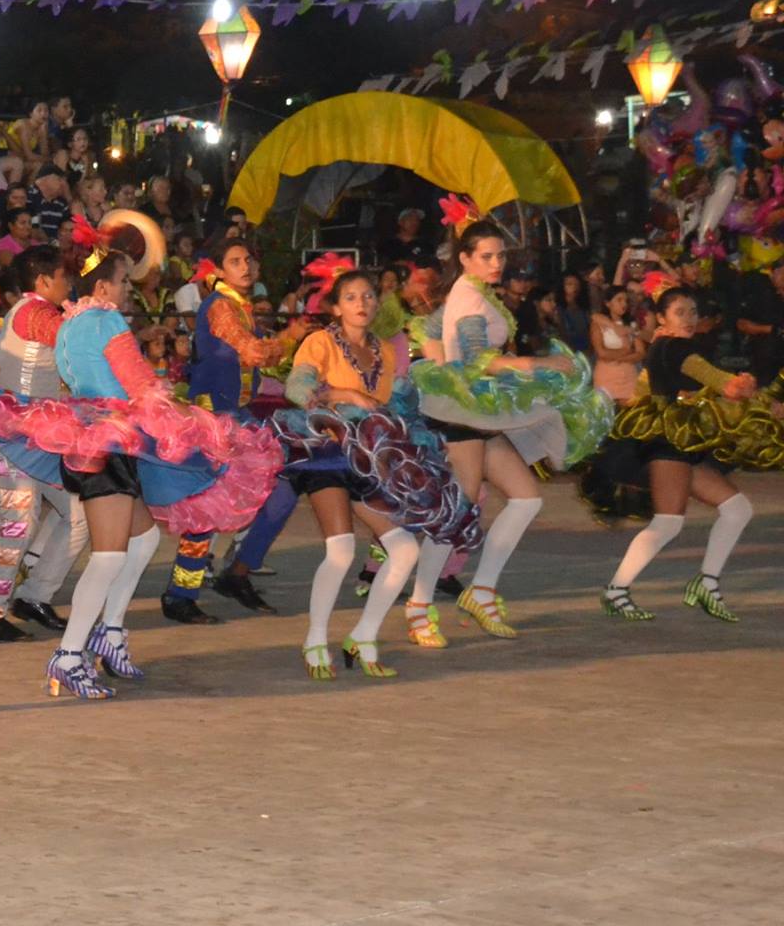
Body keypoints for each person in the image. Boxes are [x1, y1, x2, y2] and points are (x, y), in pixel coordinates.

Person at [0, 250, 283, 699]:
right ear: (102, 287)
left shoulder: (71, 324)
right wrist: (189, 419)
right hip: (109, 444)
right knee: (108, 554)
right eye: (122, 283)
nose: (127, 291)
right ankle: (68, 655)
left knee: (144, 538)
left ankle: (110, 632)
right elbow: (139, 385)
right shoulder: (106, 321)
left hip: (93, 435)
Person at [404, 210, 612, 645]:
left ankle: (481, 591)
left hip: (476, 411)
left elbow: (428, 327)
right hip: (462, 416)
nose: (497, 263)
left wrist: (440, 361)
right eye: (487, 256)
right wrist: (539, 363)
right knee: (458, 510)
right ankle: (419, 606)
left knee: (526, 498)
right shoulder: (470, 297)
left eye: (500, 256)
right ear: (465, 258)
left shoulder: (471, 291)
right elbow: (480, 361)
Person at [278, 267, 484, 680]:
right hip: (328, 453)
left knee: (405, 550)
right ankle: (315, 640)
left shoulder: (386, 352)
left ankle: (364, 636)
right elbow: (296, 390)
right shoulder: (320, 342)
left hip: (371, 459)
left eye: (369, 296)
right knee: (340, 551)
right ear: (336, 307)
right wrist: (344, 394)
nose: (362, 304)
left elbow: (394, 407)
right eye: (351, 297)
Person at [587, 286, 759, 623]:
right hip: (668, 443)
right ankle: (617, 590)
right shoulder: (675, 347)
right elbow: (715, 379)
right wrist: (738, 385)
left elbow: (696, 384)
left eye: (693, 311)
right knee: (668, 522)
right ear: (661, 318)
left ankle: (706, 583)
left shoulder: (668, 346)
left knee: (737, 509)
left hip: (683, 441)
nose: (689, 318)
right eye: (680, 312)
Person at [168, 238, 307, 624]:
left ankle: (237, 572)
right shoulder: (221, 307)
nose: (245, 266)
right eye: (235, 261)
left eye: (248, 259)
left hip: (236, 416)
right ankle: (181, 593)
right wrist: (292, 336)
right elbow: (254, 353)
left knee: (280, 492)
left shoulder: (238, 307)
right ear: (218, 270)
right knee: (207, 508)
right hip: (214, 420)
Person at [0, 246, 93, 644]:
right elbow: (72, 341)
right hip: (16, 437)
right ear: (43, 281)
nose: (68, 284)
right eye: (63, 277)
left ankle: (34, 597)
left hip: (39, 436)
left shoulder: (35, 311)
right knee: (19, 523)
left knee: (78, 515)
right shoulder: (36, 313)